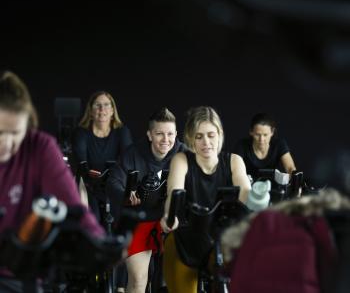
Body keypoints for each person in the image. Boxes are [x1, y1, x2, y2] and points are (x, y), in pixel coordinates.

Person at [0, 71, 105, 292]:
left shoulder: (40, 146)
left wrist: (99, 243)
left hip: (21, 276)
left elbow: (74, 207)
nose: (6, 144)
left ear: (27, 126)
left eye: (14, 133)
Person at [160, 106, 251, 293]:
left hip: (223, 239)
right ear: (190, 138)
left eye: (211, 135)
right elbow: (174, 191)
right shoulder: (181, 159)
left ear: (220, 134)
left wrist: (254, 203)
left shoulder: (234, 161)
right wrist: (170, 214)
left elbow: (246, 192)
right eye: (199, 136)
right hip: (186, 238)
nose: (206, 142)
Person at [106, 107, 186, 293]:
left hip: (172, 221)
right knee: (139, 281)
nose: (165, 140)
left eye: (170, 134)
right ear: (150, 135)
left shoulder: (183, 153)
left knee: (174, 281)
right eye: (159, 134)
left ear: (176, 134)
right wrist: (125, 195)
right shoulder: (132, 153)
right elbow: (113, 183)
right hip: (140, 219)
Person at [72, 90, 132, 222]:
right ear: (91, 111)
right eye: (97, 105)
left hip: (115, 182)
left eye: (106, 105)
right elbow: (81, 163)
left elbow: (128, 161)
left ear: (112, 110)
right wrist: (89, 173)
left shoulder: (122, 132)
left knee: (119, 221)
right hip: (90, 184)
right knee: (93, 224)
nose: (102, 109)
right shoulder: (81, 133)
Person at [234, 112, 296, 181]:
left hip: (275, 188)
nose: (261, 139)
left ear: (272, 132)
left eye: (265, 135)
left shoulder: (279, 144)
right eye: (257, 135)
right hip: (247, 187)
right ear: (251, 132)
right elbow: (235, 170)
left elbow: (290, 168)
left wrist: (295, 184)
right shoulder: (242, 145)